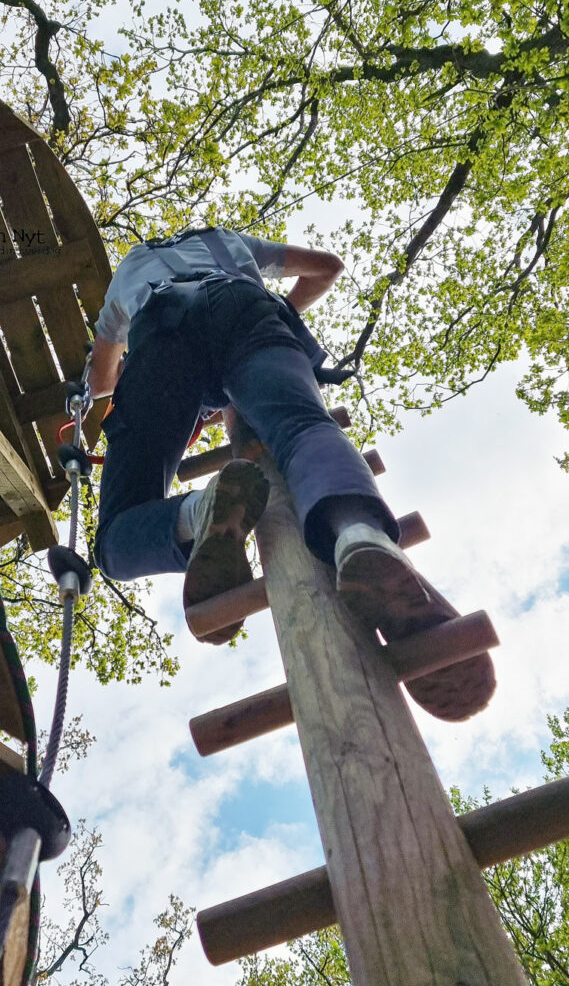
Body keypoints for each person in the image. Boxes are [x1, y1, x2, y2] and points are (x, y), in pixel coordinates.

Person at [85, 227, 493, 721]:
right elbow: (327, 266)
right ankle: (362, 537)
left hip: (161, 330)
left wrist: (96, 422)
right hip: (247, 309)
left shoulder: (128, 269)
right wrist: (282, 318)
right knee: (301, 427)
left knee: (114, 539)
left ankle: (200, 512)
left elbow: (102, 377)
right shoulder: (224, 240)